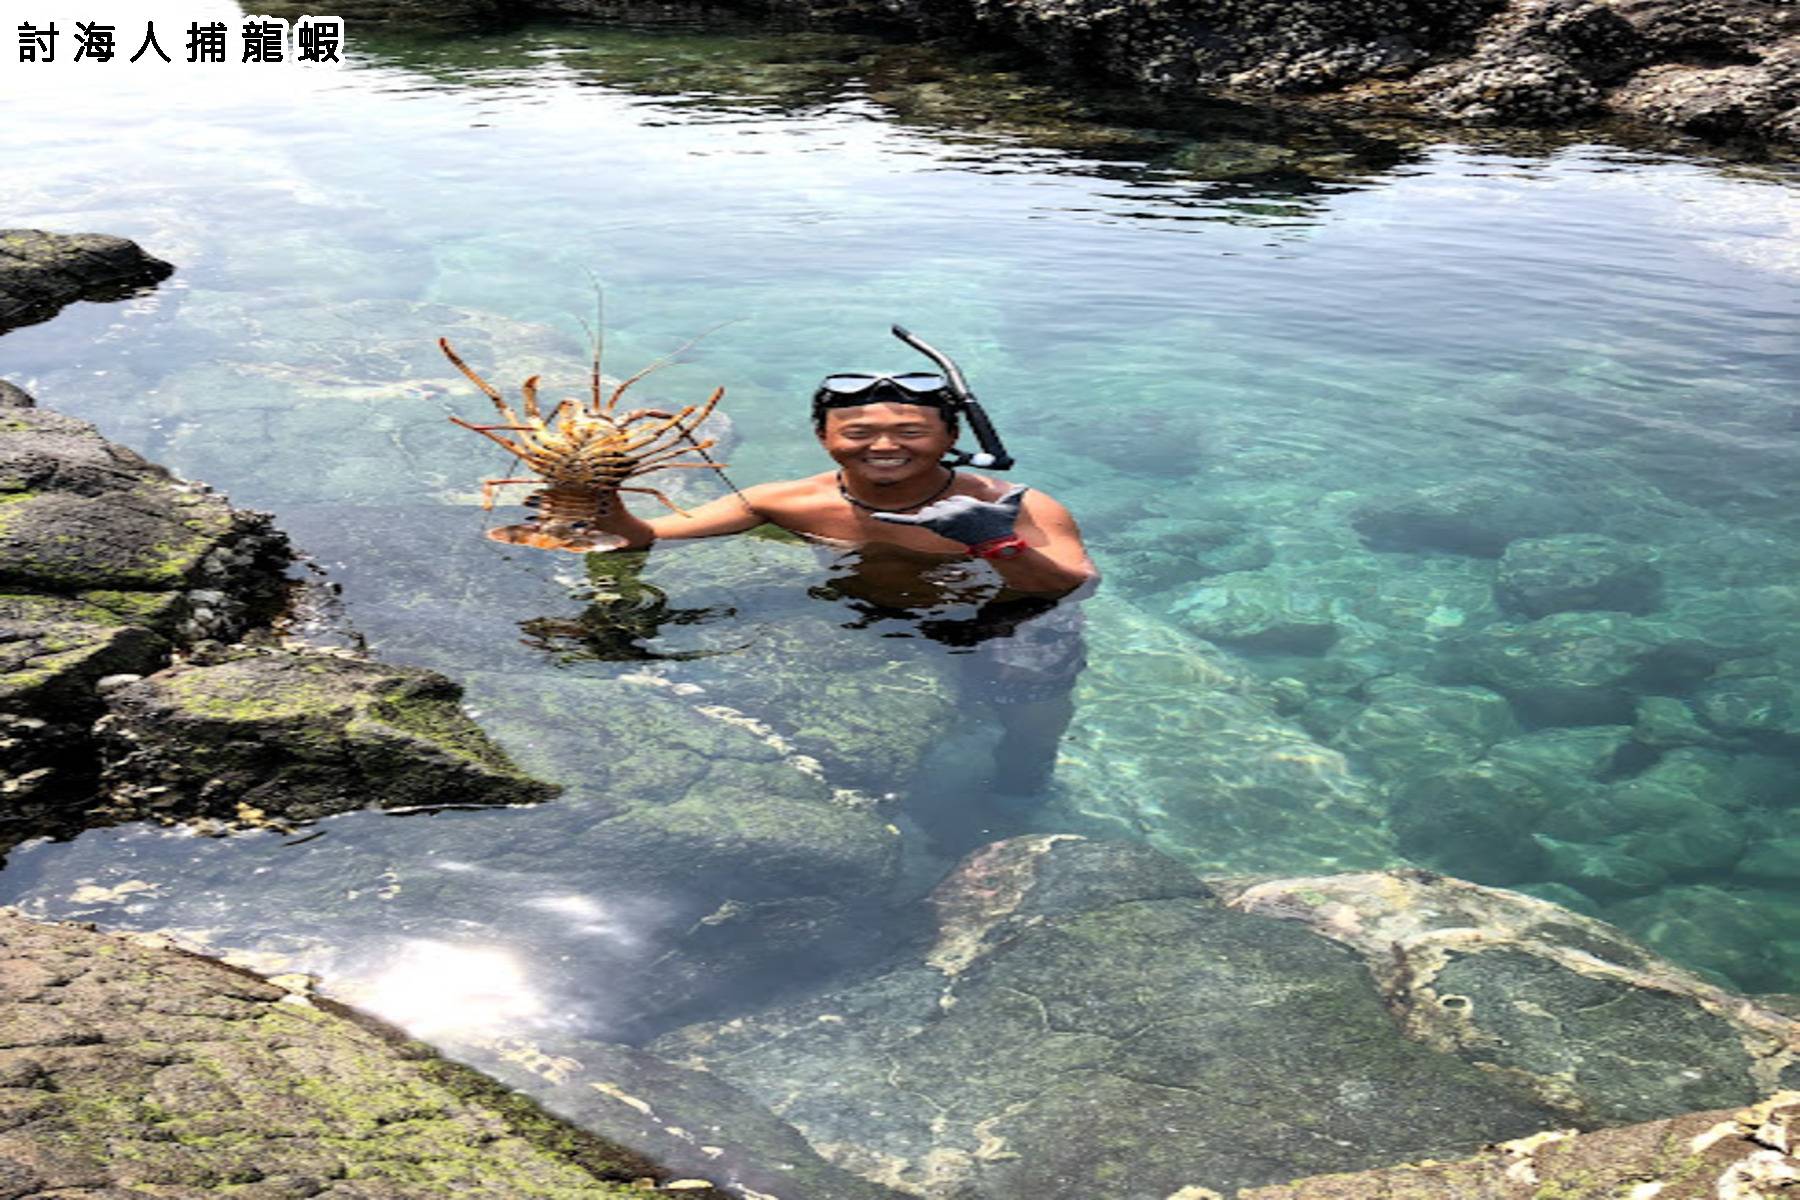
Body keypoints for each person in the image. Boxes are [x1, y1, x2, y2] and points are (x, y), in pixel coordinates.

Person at [577, 365, 1098, 800]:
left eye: (912, 433)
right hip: (875, 613)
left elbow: (1073, 586)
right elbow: (644, 536)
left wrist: (994, 541)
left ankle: (1019, 792)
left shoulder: (1015, 506)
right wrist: (601, 492)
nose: (885, 446)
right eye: (858, 433)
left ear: (951, 438)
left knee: (1029, 737)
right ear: (824, 437)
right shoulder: (783, 502)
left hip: (1011, 622)